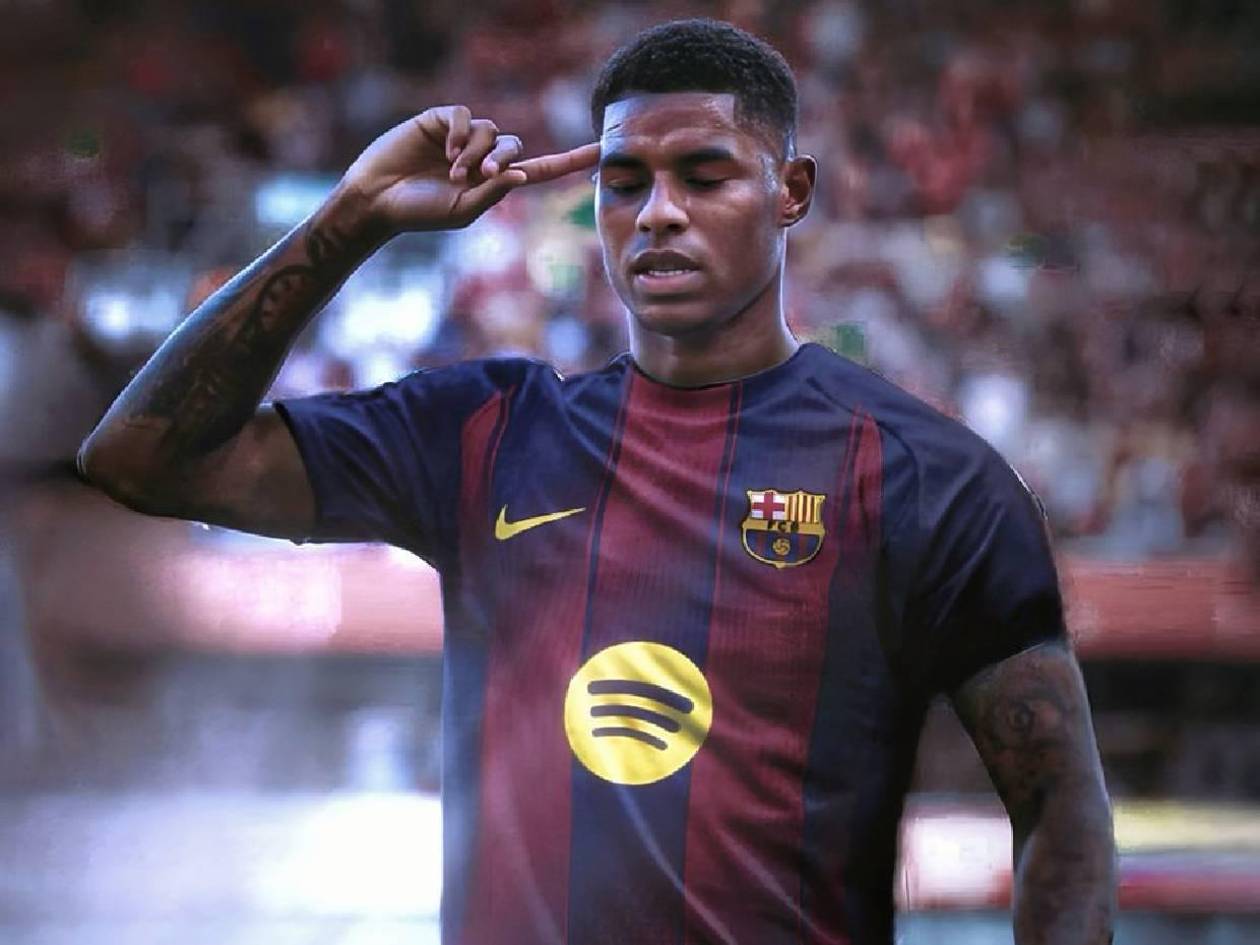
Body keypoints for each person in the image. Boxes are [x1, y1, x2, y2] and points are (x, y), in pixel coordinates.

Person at [78, 18, 1116, 945]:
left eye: (704, 175)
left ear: (791, 192)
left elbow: (1061, 814)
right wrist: (355, 215)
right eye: (624, 183)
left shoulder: (929, 477)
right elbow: (140, 457)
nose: (658, 213)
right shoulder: (484, 433)